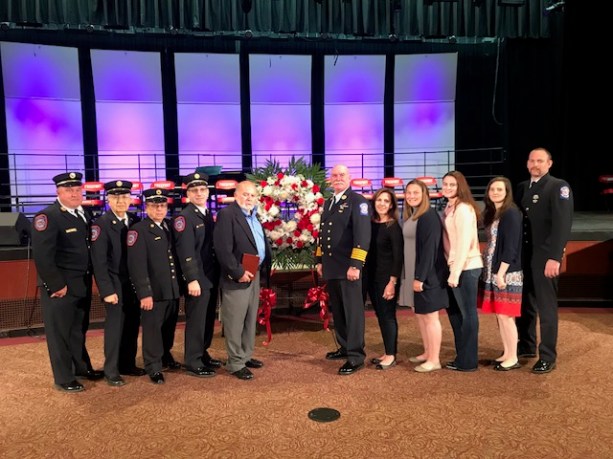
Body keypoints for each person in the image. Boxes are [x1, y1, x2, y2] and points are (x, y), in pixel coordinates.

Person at [31, 172, 104, 392]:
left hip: (80, 284)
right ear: (58, 192)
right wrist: (56, 285)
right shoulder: (48, 216)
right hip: (60, 288)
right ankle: (63, 378)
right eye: (68, 190)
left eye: (76, 189)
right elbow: (43, 256)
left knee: (77, 331)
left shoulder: (84, 213)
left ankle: (81, 367)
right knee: (59, 335)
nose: (74, 193)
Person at [515, 147, 573, 374]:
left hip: (544, 257)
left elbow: (562, 225)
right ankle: (526, 345)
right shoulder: (521, 187)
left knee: (546, 308)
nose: (535, 164)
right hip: (524, 257)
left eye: (540, 161)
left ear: (549, 163)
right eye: (532, 160)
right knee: (524, 304)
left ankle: (547, 355)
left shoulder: (558, 187)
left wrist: (554, 257)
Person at [213, 180, 272, 380]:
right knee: (235, 322)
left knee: (249, 319)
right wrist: (237, 272)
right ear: (236, 195)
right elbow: (223, 249)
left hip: (254, 274)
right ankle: (235, 362)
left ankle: (245, 356)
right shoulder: (227, 215)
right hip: (238, 277)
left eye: (253, 195)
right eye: (245, 194)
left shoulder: (254, 217)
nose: (249, 198)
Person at [316, 164, 371, 375]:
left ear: (350, 178)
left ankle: (356, 356)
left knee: (353, 312)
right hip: (332, 267)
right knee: (338, 310)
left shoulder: (358, 202)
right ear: (330, 179)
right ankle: (345, 346)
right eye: (335, 175)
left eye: (342, 175)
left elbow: (363, 235)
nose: (338, 178)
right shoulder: (330, 202)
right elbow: (323, 234)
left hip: (349, 268)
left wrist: (356, 265)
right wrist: (319, 260)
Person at [90, 180, 146, 386]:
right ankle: (111, 369)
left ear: (130, 199)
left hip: (132, 284)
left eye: (125, 197)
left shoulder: (134, 221)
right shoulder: (101, 225)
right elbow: (99, 262)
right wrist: (106, 290)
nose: (121, 201)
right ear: (108, 200)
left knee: (131, 324)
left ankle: (127, 364)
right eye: (116, 197)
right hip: (114, 285)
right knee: (115, 328)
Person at [127, 188, 181, 384]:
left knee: (169, 328)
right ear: (146, 207)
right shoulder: (139, 230)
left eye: (162, 205)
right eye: (154, 206)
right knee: (152, 331)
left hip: (170, 289)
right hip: (153, 292)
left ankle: (165, 356)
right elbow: (137, 265)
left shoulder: (168, 226)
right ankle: (153, 366)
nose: (159, 209)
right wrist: (144, 294)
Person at [173, 172, 220, 378]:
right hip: (197, 279)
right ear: (188, 193)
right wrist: (192, 279)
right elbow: (186, 252)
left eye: (202, 189)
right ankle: (193, 360)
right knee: (197, 321)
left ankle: (203, 352)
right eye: (194, 190)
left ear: (208, 192)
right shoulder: (184, 218)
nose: (199, 193)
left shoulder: (206, 213)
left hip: (210, 277)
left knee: (208, 319)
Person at [402, 179, 449, 373]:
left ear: (425, 195)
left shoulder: (429, 216)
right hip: (414, 272)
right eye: (409, 193)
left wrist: (420, 277)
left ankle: (435, 359)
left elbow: (430, 250)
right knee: (420, 315)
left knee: (431, 317)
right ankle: (427, 352)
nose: (412, 196)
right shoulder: (412, 215)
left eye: (416, 193)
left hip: (428, 276)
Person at [478, 177, 523, 371]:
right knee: (500, 315)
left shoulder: (511, 213)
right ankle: (507, 351)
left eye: (500, 189)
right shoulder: (493, 213)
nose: (495, 192)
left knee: (506, 315)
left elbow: (511, 247)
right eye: (492, 189)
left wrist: (501, 273)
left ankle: (513, 357)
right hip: (493, 271)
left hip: (506, 272)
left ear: (507, 192)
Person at [441, 170, 483, 372]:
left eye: (452, 185)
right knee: (457, 314)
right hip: (455, 267)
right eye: (445, 184)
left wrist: (455, 273)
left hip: (466, 268)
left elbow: (465, 243)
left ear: (460, 187)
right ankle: (462, 356)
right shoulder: (450, 206)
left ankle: (468, 361)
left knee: (468, 315)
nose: (448, 188)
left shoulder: (464, 209)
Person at [363, 188, 403, 370]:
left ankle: (391, 355)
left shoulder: (393, 226)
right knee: (380, 315)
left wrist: (392, 282)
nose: (382, 204)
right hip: (372, 278)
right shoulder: (371, 223)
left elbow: (398, 257)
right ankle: (387, 352)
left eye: (386, 201)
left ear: (392, 205)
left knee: (388, 316)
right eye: (379, 200)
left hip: (387, 280)